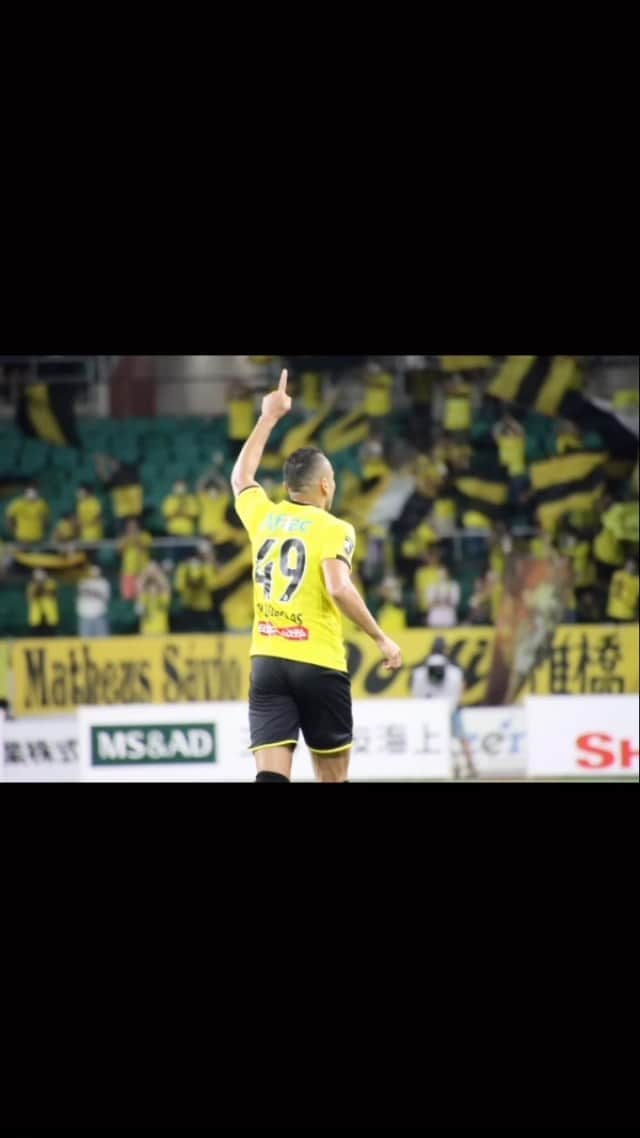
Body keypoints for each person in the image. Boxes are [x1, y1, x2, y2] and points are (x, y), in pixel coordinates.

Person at [231, 368, 403, 784]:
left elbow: (241, 478)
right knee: (332, 777)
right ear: (325, 486)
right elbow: (338, 587)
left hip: (268, 660)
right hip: (318, 663)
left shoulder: (266, 517)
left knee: (271, 778)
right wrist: (380, 638)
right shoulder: (334, 529)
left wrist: (268, 417)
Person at [411, 638, 478, 779]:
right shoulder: (454, 667)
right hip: (452, 707)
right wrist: (454, 701)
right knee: (461, 738)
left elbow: (417, 690)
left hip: (431, 710)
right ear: (445, 649)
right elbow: (462, 686)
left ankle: (454, 766)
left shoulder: (422, 667)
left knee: (440, 739)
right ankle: (470, 765)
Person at [76, 565, 111, 638]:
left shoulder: (103, 583)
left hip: (99, 615)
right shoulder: (82, 583)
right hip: (84, 616)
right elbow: (80, 598)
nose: (93, 574)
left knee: (103, 641)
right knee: (85, 641)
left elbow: (105, 598)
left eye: (95, 573)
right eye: (92, 573)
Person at [26, 569, 59, 636]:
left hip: (49, 615)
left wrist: (42, 589)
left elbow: (52, 594)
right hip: (36, 616)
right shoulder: (32, 585)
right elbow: (30, 596)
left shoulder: (50, 583)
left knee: (50, 634)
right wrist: (38, 588)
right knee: (36, 635)